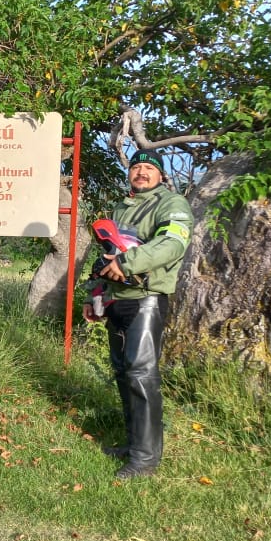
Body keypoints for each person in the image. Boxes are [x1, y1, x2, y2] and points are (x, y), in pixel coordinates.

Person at [83, 150, 194, 480]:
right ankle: (134, 445)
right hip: (117, 299)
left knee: (142, 373)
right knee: (123, 371)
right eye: (136, 167)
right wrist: (95, 296)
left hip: (148, 297)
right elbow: (107, 256)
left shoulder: (172, 204)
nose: (141, 172)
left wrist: (127, 264)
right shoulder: (120, 208)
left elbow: (173, 244)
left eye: (149, 168)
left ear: (160, 176)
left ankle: (145, 460)